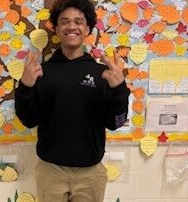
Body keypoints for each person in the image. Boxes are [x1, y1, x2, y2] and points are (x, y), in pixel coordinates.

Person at [15, 0, 130, 201]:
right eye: (65, 21)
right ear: (57, 29)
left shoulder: (102, 74)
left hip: (90, 172)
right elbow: (28, 120)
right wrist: (25, 86)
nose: (71, 26)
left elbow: (115, 123)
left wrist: (120, 91)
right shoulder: (43, 72)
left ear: (87, 29)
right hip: (50, 171)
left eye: (78, 21)